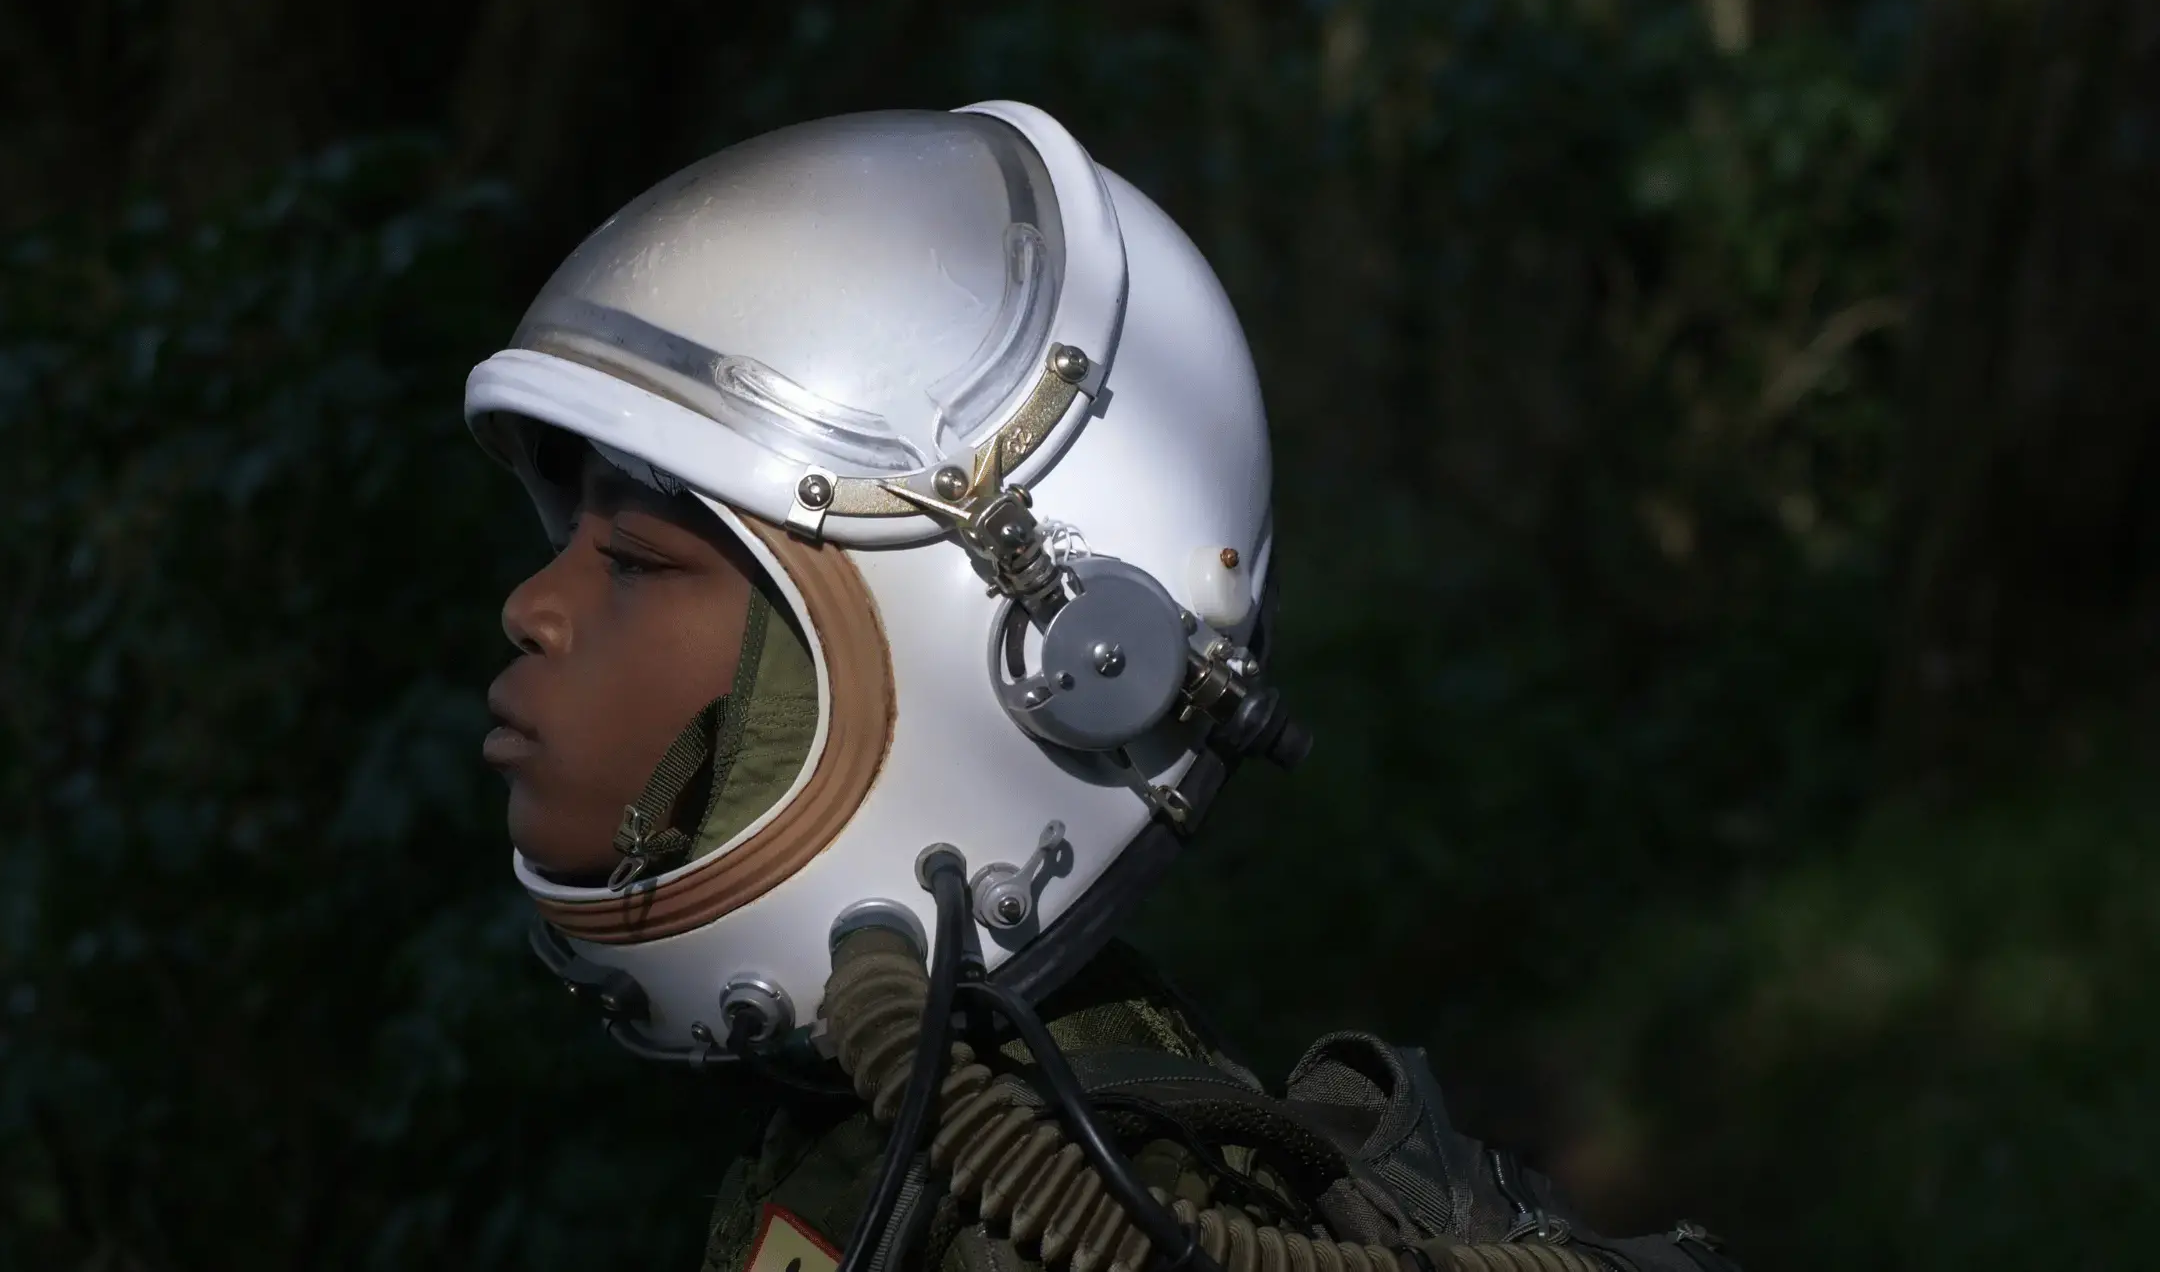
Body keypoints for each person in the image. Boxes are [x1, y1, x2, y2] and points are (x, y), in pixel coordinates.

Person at [468, 103, 1743, 1272]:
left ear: (1072, 664)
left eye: (633, 559)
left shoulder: (1051, 1203)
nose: (535, 608)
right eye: (568, 539)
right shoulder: (883, 1128)